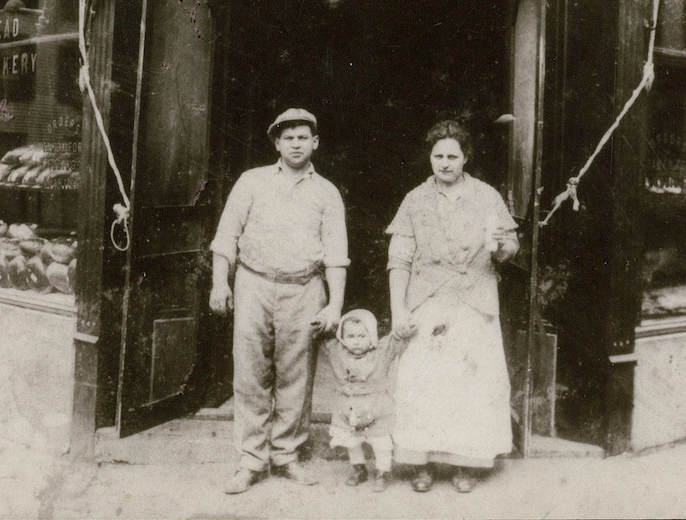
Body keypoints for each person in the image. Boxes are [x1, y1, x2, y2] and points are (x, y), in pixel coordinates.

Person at [209, 108, 349, 495]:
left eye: (303, 137)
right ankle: (251, 460)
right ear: (276, 142)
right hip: (254, 284)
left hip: (304, 289)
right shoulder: (251, 182)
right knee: (251, 374)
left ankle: (286, 455)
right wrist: (220, 284)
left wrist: (334, 305)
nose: (296, 143)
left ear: (315, 142)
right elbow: (226, 238)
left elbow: (337, 254)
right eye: (288, 137)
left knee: (296, 375)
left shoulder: (327, 192)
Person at [386, 119, 520, 493]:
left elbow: (509, 248)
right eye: (438, 155)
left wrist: (503, 246)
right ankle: (421, 462)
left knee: (470, 385)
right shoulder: (415, 199)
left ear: (465, 158)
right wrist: (399, 309)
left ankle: (466, 464)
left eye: (452, 156)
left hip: (474, 302)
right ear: (429, 157)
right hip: (427, 301)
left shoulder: (486, 196)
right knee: (424, 383)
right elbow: (399, 259)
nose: (444, 163)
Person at [321, 308, 409, 492]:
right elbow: (323, 337)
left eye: (362, 336)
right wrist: (320, 325)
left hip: (376, 408)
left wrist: (404, 329)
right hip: (348, 408)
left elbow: (396, 341)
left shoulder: (381, 351)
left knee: (381, 443)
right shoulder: (337, 351)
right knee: (351, 441)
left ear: (373, 335)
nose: (356, 341)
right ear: (342, 338)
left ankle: (382, 472)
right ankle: (359, 469)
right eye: (351, 336)